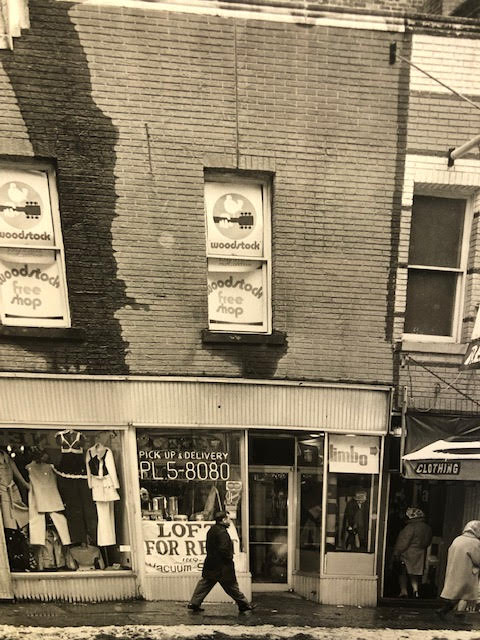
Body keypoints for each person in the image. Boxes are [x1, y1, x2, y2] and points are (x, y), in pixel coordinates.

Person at [188, 511, 255, 613]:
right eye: (228, 519)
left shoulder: (212, 530)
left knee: (205, 584)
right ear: (223, 520)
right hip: (222, 566)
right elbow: (224, 549)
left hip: (211, 564)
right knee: (232, 587)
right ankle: (244, 604)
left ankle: (194, 603)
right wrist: (229, 557)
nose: (230, 521)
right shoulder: (222, 532)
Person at [436, 520, 480, 625]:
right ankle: (459, 617)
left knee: (457, 594)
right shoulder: (474, 543)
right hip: (467, 572)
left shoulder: (457, 539)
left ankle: (443, 611)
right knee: (465, 595)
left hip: (455, 570)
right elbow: (478, 559)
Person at [393, 506, 432, 598]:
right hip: (420, 554)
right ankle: (415, 590)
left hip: (407, 553)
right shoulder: (427, 528)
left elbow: (403, 542)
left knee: (402, 572)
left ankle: (403, 591)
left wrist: (396, 552)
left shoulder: (409, 527)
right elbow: (428, 541)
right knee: (414, 574)